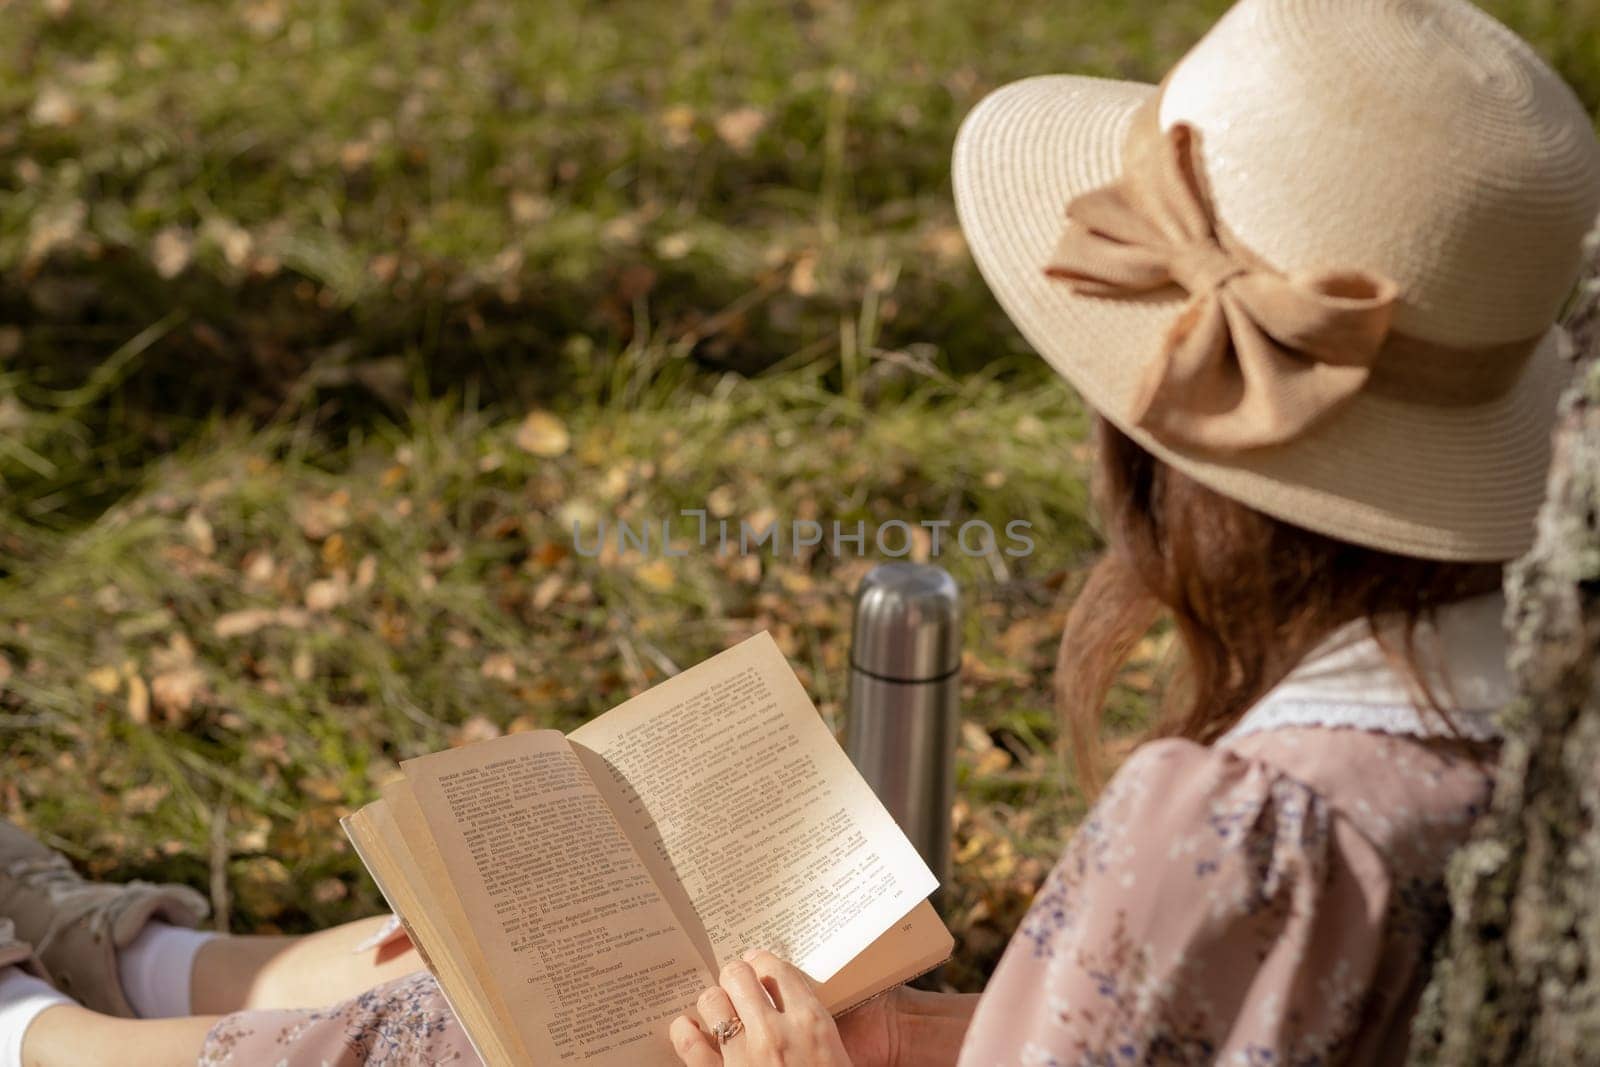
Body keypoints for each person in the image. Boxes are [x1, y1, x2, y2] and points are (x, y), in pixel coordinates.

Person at [1, 0, 1596, 1064]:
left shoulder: (1236, 826)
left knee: (471, 1030)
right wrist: (931, 1035)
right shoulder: (1510, 732)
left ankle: (31, 1026)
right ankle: (114, 964)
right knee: (487, 973)